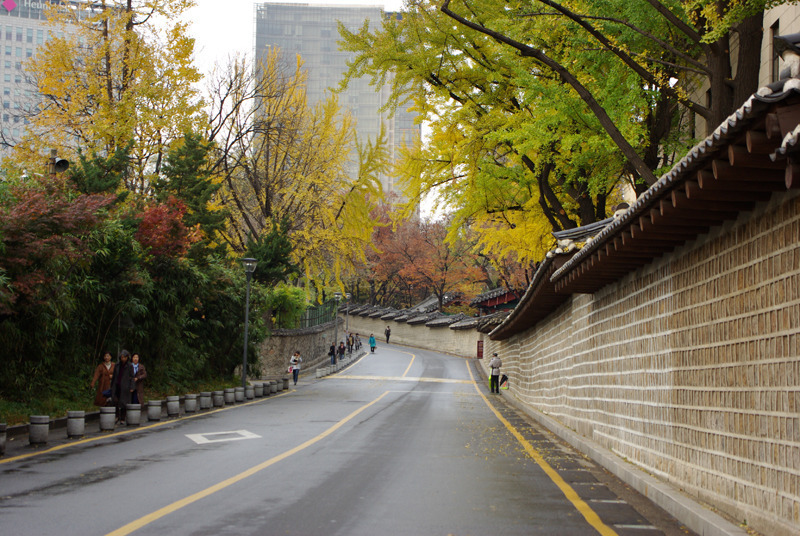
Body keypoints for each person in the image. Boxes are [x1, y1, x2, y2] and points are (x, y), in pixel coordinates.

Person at [110, 350, 135, 424]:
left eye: (124, 357)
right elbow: (114, 375)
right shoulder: (117, 365)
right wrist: (112, 385)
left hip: (125, 386)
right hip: (117, 385)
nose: (123, 358)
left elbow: (132, 377)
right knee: (115, 401)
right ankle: (117, 416)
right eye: (122, 357)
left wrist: (132, 386)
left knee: (124, 402)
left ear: (127, 358)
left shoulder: (129, 366)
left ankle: (123, 418)